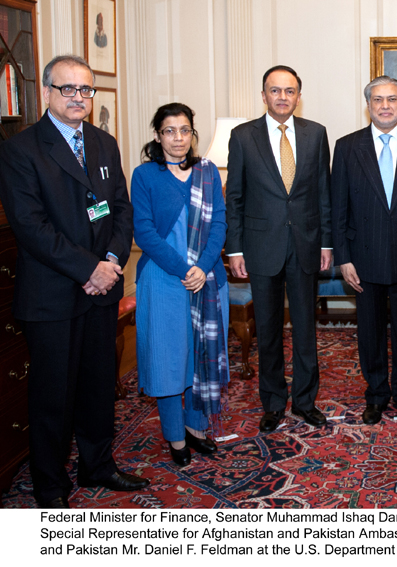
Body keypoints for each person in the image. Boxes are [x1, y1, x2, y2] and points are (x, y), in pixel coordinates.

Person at [0, 55, 147, 507]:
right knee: (52, 397)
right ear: (46, 92)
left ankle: (98, 465)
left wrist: (109, 261)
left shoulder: (103, 142)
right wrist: (91, 269)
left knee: (99, 386)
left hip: (101, 291)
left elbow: (121, 210)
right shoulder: (20, 149)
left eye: (86, 90)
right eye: (69, 89)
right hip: (53, 295)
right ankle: (50, 486)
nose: (79, 98)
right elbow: (31, 227)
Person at [226, 65, 332, 432]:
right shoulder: (242, 137)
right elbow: (235, 198)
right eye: (275, 90)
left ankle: (305, 401)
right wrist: (234, 250)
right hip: (260, 247)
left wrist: (327, 242)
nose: (283, 97)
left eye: (290, 91)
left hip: (305, 245)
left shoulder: (316, 134)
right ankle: (272, 402)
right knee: (268, 330)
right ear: (263, 95)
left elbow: (323, 193)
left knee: (305, 329)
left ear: (298, 96)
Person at [331, 76, 397, 425]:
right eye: (377, 99)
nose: (385, 105)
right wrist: (343, 257)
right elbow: (338, 209)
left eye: (392, 99)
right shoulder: (347, 147)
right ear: (368, 105)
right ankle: (376, 394)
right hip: (364, 258)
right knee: (371, 332)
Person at [131, 103, 230, 466]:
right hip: (163, 280)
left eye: (184, 130)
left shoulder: (207, 173)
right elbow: (144, 232)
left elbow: (219, 224)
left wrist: (202, 268)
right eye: (170, 131)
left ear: (193, 133)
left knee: (201, 355)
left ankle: (197, 427)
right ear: (158, 136)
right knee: (169, 361)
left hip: (207, 279)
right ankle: (175, 437)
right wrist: (183, 269)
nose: (178, 138)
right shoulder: (144, 176)